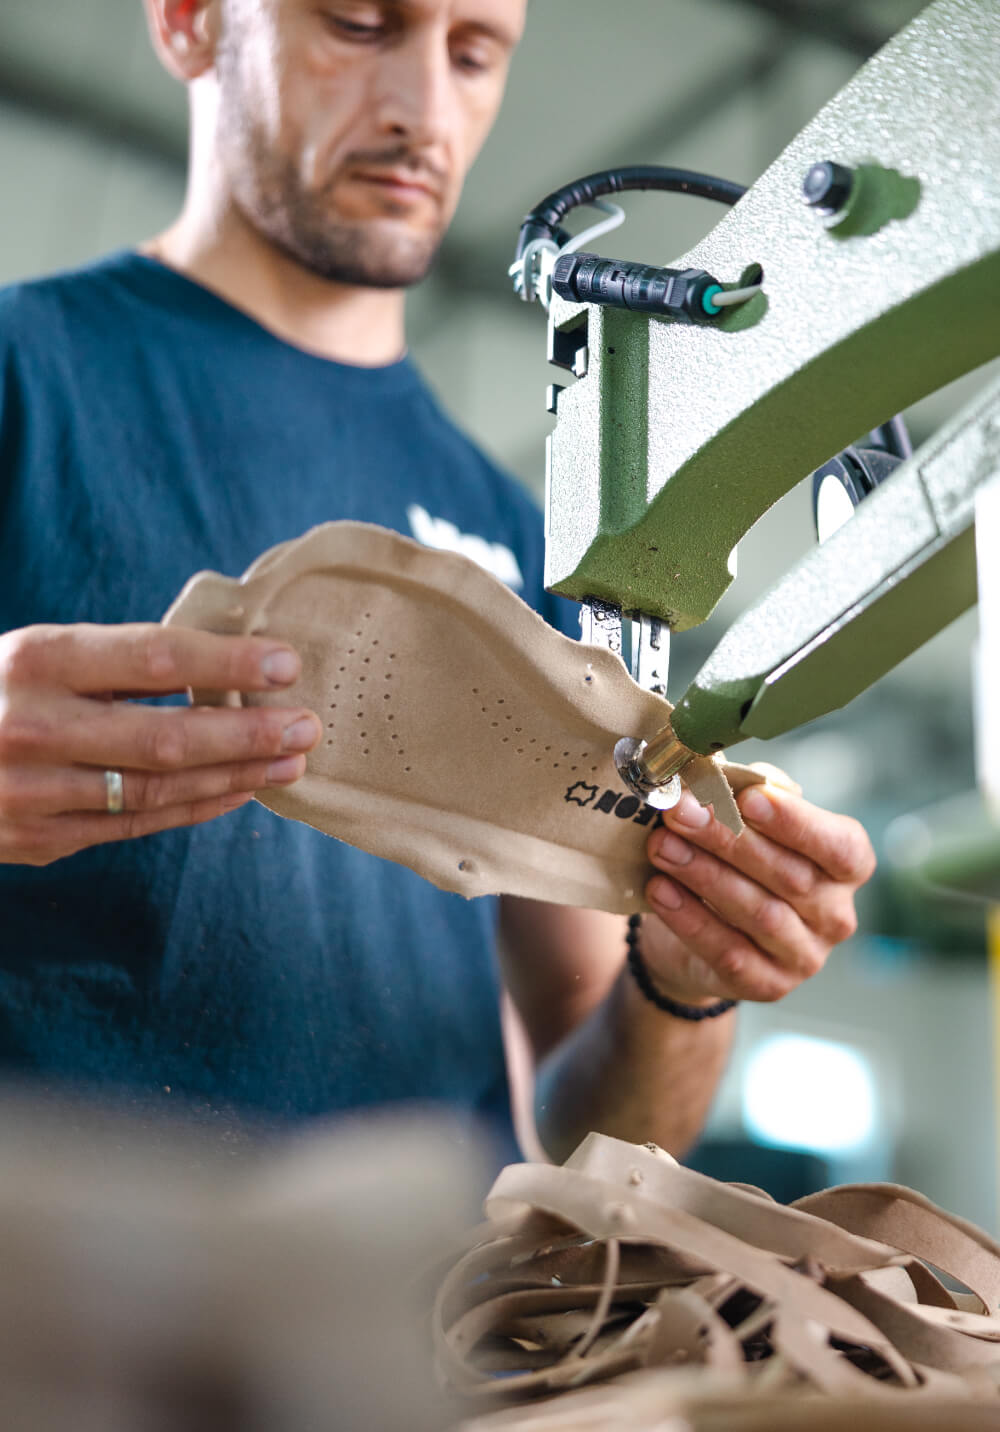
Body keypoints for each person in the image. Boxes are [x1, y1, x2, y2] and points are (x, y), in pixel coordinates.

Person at [0, 0, 874, 1163]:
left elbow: (586, 1138)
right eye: (360, 25)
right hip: (64, 1307)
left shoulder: (543, 548)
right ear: (191, 24)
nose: (425, 111)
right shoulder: (24, 378)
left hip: (413, 1325)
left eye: (473, 53)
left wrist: (684, 980)